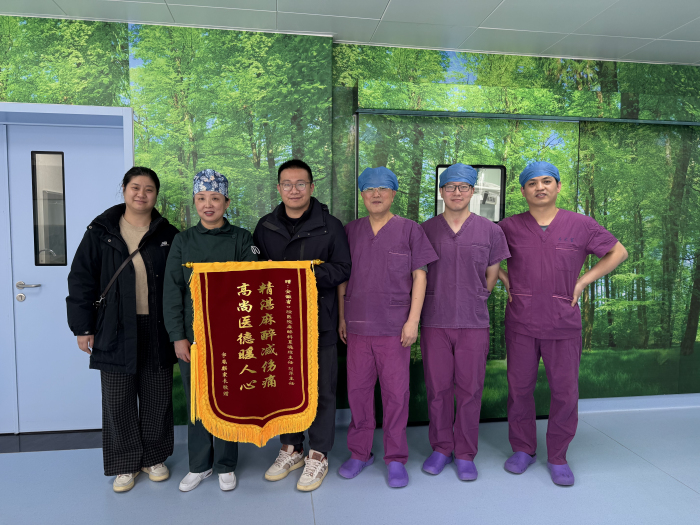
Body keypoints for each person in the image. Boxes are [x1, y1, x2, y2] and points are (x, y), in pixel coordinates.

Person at [498, 161, 628, 486]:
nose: (539, 187)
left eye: (546, 181)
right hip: (521, 321)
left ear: (558, 186)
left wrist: (582, 282)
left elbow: (618, 252)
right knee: (519, 389)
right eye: (532, 183)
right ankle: (523, 449)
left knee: (565, 392)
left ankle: (558, 455)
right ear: (523, 190)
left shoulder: (581, 225)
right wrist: (504, 278)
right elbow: (482, 256)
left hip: (563, 322)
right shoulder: (508, 227)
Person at [67, 167, 179, 493]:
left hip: (157, 326)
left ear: (156, 195)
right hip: (114, 326)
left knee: (157, 395)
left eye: (149, 189)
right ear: (124, 189)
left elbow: (179, 284)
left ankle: (153, 457)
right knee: (118, 399)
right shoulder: (101, 231)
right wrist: (82, 327)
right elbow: (81, 279)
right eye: (135, 187)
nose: (141, 194)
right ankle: (125, 462)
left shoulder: (168, 234)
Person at [253, 159, 351, 492]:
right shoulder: (265, 226)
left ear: (311, 187)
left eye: (300, 184)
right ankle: (291, 448)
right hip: (278, 323)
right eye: (287, 184)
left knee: (322, 389)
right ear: (278, 188)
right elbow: (254, 271)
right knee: (284, 388)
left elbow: (343, 268)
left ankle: (318, 454)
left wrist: (304, 273)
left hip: (319, 320)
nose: (293, 190)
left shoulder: (330, 226)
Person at [337, 167, 438, 488]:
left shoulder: (410, 230)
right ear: (362, 195)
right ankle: (359, 453)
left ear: (394, 193)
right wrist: (342, 317)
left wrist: (413, 321)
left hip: (395, 329)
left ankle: (396, 458)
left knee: (396, 395)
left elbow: (420, 276)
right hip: (357, 327)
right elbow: (342, 279)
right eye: (369, 189)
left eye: (383, 188)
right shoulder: (350, 231)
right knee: (358, 393)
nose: (376, 194)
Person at [163, 169, 258, 493]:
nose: (208, 204)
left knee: (227, 398)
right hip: (193, 339)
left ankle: (226, 465)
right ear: (194, 202)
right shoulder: (183, 241)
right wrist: (178, 336)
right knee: (197, 401)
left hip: (232, 336)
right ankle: (199, 464)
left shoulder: (242, 239)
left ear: (226, 202)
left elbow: (252, 284)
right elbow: (172, 291)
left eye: (215, 198)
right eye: (202, 198)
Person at [419, 163, 510, 480]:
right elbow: (417, 275)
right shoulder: (425, 230)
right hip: (435, 321)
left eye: (463, 187)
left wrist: (475, 296)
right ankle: (441, 448)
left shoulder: (491, 231)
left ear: (473, 191)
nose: (456, 192)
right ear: (441, 191)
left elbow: (492, 274)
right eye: (450, 187)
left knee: (470, 390)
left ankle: (465, 453)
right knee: (438, 389)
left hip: (473, 322)